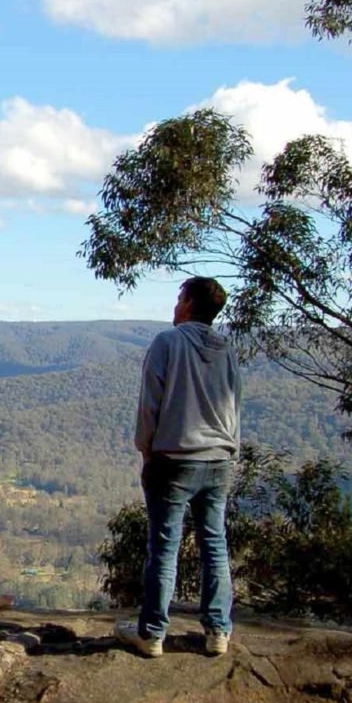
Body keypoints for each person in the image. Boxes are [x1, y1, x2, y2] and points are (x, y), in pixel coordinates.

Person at [115, 276, 242, 658]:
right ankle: (218, 631)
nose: (175, 306)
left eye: (178, 299)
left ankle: (152, 634)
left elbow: (149, 403)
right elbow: (235, 404)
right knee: (215, 544)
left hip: (174, 459)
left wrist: (146, 449)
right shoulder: (226, 348)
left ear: (187, 304)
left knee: (164, 547)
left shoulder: (167, 343)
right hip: (219, 458)